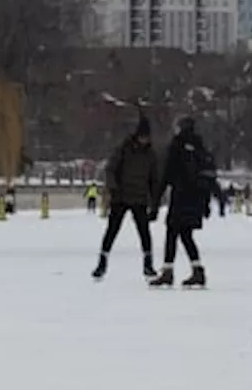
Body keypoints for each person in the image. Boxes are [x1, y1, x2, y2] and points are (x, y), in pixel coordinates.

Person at [92, 115, 159, 281]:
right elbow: (110, 169)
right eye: (143, 137)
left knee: (144, 232)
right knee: (112, 230)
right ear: (137, 136)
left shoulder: (150, 154)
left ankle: (148, 264)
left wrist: (154, 201)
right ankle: (102, 262)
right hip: (121, 196)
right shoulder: (124, 149)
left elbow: (154, 179)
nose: (145, 140)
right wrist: (113, 188)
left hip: (139, 197)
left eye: (147, 137)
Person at [152, 117, 215, 288]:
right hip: (196, 198)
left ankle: (168, 271)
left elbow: (167, 173)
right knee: (186, 234)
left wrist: (156, 201)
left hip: (180, 195)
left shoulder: (177, 145)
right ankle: (197, 270)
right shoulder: (200, 147)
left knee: (172, 232)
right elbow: (209, 176)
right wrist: (207, 201)